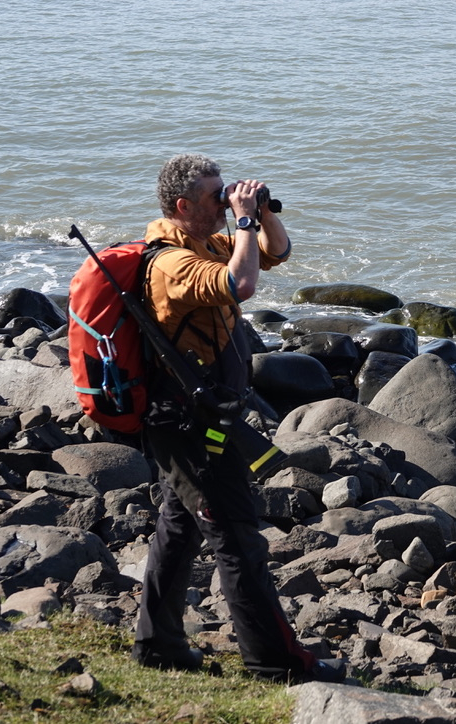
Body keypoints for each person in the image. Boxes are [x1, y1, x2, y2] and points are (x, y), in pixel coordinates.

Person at [131, 153, 344, 683]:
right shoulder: (172, 264)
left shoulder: (204, 243)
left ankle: (158, 645)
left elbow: (277, 252)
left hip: (203, 416)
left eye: (227, 191)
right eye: (215, 195)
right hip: (185, 424)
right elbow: (241, 285)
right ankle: (274, 662)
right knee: (238, 538)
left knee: (180, 526)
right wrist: (245, 220)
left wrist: (262, 212)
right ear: (183, 206)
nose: (226, 201)